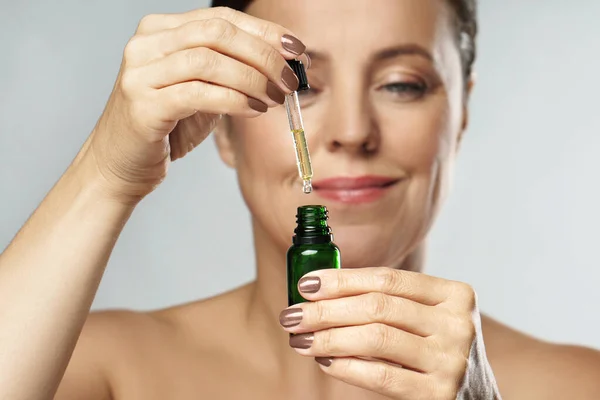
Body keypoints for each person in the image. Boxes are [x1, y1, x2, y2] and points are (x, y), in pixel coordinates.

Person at [1, 0, 599, 398]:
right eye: (301, 85)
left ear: (462, 113)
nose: (353, 131)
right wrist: (107, 172)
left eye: (401, 84)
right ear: (222, 126)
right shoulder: (99, 369)